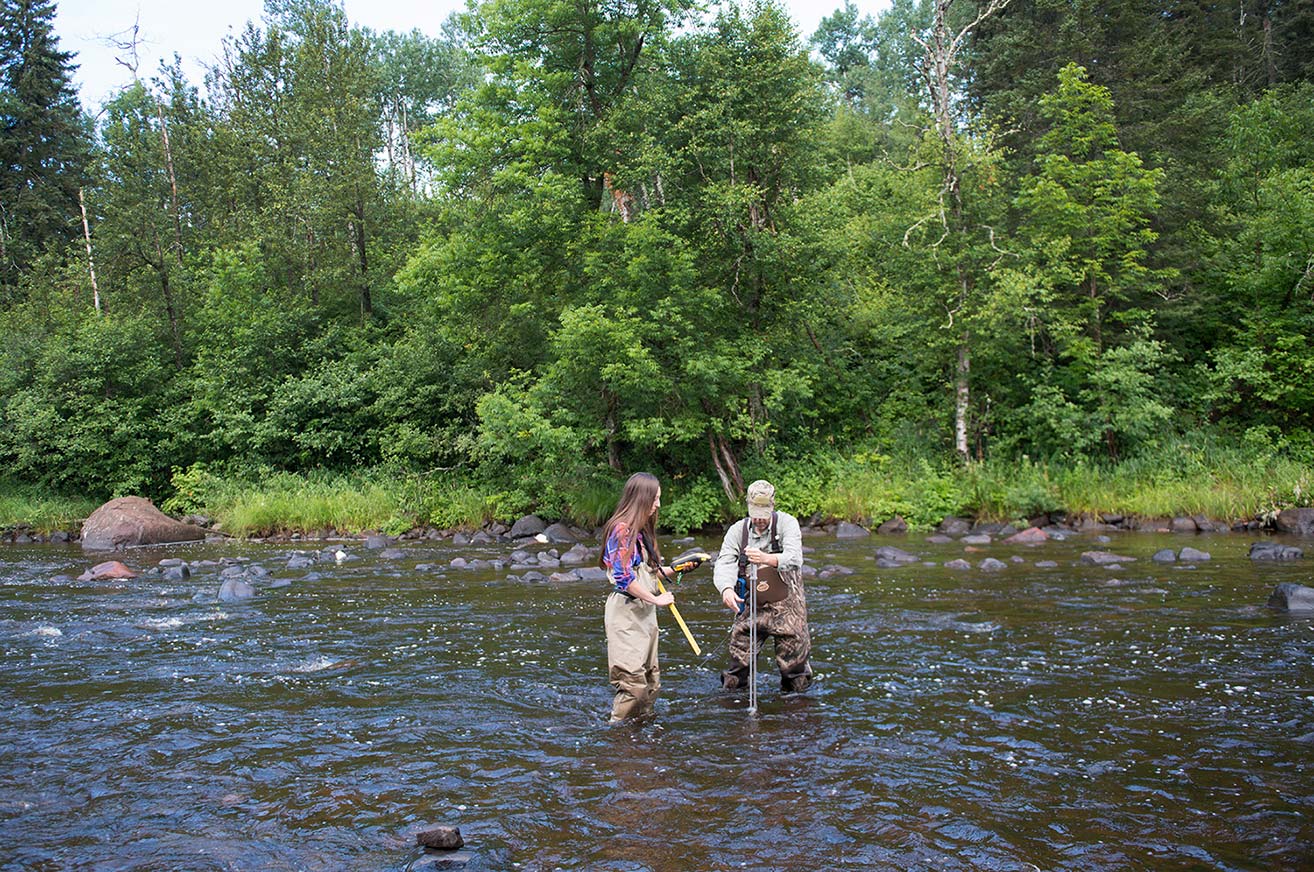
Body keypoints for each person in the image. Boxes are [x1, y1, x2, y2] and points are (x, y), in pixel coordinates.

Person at [712, 479, 813, 693]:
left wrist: (767, 559)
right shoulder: (737, 531)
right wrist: (726, 589)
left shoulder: (787, 523)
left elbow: (795, 558)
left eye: (763, 512)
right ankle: (734, 712)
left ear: (772, 506)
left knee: (795, 673)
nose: (759, 518)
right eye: (754, 512)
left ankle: (798, 712)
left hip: (788, 611)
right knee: (737, 670)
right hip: (750, 607)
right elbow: (724, 563)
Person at [600, 471, 676, 721]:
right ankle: (615, 735)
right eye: (655, 499)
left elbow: (648, 573)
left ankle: (641, 736)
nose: (658, 505)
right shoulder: (621, 531)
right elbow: (624, 579)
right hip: (626, 613)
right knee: (632, 684)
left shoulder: (641, 532)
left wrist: (677, 568)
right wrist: (656, 599)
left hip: (644, 614)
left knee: (651, 681)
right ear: (641, 499)